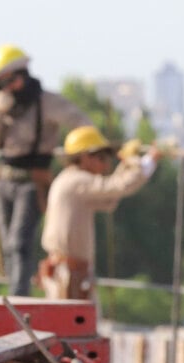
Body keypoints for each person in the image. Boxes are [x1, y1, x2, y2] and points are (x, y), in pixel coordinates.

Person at [0, 44, 91, 296]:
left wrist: (81, 152)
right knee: (8, 245)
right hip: (3, 181)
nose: (10, 88)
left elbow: (82, 123)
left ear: (24, 75)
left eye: (12, 81)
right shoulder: (4, 107)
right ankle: (15, 291)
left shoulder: (47, 102)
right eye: (3, 84)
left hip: (32, 182)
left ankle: (19, 299)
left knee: (20, 243)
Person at [39, 125, 159, 300]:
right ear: (84, 157)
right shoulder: (78, 181)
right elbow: (119, 186)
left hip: (67, 271)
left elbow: (110, 198)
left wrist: (128, 165)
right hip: (69, 273)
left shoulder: (69, 180)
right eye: (101, 157)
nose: (106, 163)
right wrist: (138, 162)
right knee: (76, 318)